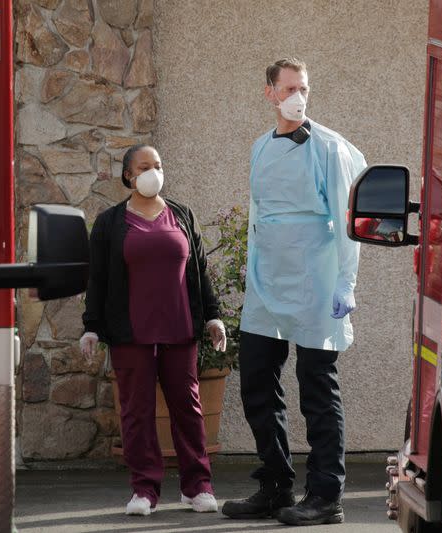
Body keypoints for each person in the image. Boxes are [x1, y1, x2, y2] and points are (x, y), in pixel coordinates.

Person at [221, 58, 366, 526]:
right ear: (270, 94)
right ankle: (276, 485)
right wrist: (252, 278)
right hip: (268, 282)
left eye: (303, 87)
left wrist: (347, 283)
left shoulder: (328, 148)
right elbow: (257, 215)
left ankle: (326, 495)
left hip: (316, 280)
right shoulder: (260, 148)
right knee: (257, 381)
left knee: (317, 387)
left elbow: (349, 221)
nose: (297, 96)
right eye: (288, 88)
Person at [79, 144, 227, 516]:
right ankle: (144, 489)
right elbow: (97, 280)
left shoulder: (181, 214)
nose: (153, 172)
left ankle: (198, 486)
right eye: (144, 166)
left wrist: (212, 316)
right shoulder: (110, 223)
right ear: (128, 175)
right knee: (136, 411)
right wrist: (92, 327)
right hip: (131, 333)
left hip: (180, 328)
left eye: (158, 165)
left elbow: (200, 271)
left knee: (188, 409)